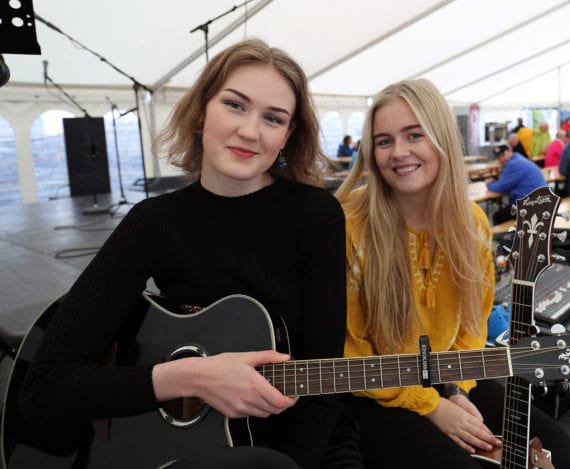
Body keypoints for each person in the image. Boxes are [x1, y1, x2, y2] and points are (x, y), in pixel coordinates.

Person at [19, 39, 362, 469]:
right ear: (202, 109)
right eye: (235, 105)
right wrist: (192, 376)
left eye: (273, 118)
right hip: (193, 448)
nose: (250, 131)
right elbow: (44, 389)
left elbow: (325, 382)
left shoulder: (316, 216)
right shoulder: (153, 223)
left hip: (307, 445)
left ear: (287, 136)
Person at [335, 78, 570, 469]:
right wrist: (432, 406)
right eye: (383, 141)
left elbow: (472, 327)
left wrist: (457, 390)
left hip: (446, 377)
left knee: (558, 453)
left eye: (414, 135)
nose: (399, 152)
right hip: (375, 391)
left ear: (441, 139)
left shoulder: (472, 224)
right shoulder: (350, 224)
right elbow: (351, 349)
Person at [486, 144, 547, 224]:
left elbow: (501, 187)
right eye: (498, 157)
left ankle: (504, 235)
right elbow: (507, 182)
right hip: (542, 200)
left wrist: (489, 184)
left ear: (510, 152)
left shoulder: (512, 164)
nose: (501, 159)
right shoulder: (518, 159)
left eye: (502, 155)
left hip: (531, 204)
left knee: (497, 217)